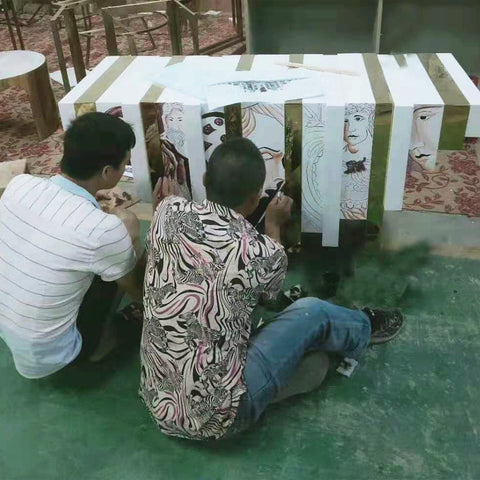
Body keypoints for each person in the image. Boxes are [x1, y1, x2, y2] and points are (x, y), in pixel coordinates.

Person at [140, 138, 404, 440]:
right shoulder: (260, 252)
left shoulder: (166, 212)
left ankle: (300, 367)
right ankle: (365, 326)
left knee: (291, 346)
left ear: (204, 180)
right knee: (313, 313)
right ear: (255, 199)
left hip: (160, 403)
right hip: (223, 418)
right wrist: (274, 228)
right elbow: (269, 296)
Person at [0, 112, 145, 379]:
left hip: (12, 333)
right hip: (57, 355)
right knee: (122, 244)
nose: (124, 169)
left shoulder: (18, 186)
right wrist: (130, 231)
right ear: (105, 172)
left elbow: (53, 212)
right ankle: (100, 346)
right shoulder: (103, 230)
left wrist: (91, 195)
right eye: (124, 164)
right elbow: (134, 288)